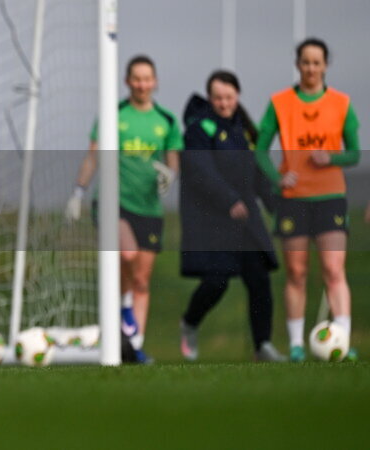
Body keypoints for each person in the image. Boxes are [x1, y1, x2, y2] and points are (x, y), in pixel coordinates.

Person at [66, 55, 182, 363]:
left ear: (154, 82)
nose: (142, 84)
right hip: (113, 203)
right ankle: (124, 309)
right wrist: (79, 191)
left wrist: (170, 176)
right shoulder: (113, 115)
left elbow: (172, 161)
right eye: (137, 78)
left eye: (148, 79)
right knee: (127, 256)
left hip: (150, 209)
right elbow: (93, 157)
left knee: (142, 280)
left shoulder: (166, 121)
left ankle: (134, 346)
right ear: (127, 82)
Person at [255, 38, 360, 362]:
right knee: (297, 272)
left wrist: (332, 158)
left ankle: (341, 338)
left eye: (317, 62)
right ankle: (297, 344)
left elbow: (354, 153)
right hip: (294, 199)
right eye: (306, 62)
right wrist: (277, 179)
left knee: (333, 268)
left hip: (330, 196)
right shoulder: (280, 103)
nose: (311, 68)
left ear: (326, 65)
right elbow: (259, 151)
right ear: (297, 65)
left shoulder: (341, 103)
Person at [178, 70, 285, 362]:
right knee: (217, 281)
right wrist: (229, 199)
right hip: (213, 221)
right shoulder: (200, 129)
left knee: (259, 279)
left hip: (246, 222)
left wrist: (279, 209)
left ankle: (262, 345)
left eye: (229, 97)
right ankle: (189, 322)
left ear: (237, 95)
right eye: (218, 98)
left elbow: (259, 175)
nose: (224, 103)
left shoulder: (246, 130)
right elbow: (201, 171)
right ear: (210, 98)